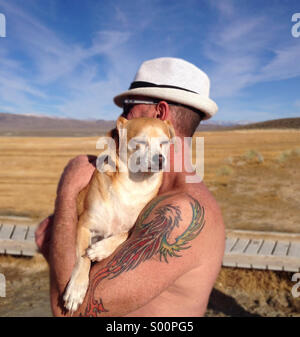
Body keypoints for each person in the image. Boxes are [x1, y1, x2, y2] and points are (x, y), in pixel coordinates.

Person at [35, 57, 225, 317]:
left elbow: (70, 313)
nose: (120, 118)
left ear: (160, 114)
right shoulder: (154, 193)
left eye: (128, 108)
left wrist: (66, 192)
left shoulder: (180, 213)